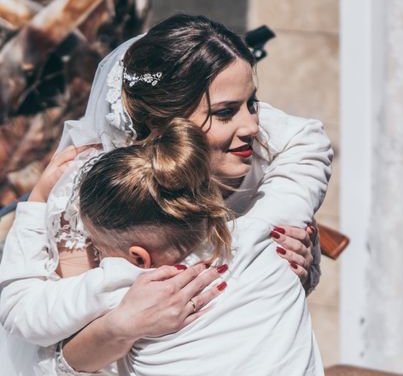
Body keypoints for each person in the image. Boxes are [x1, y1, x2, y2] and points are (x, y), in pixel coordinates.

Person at [0, 15, 332, 373]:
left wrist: (299, 267)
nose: (253, 125)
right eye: (224, 112)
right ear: (161, 123)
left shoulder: (257, 204)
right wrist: (123, 324)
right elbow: (59, 347)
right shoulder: (104, 202)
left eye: (253, 103)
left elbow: (24, 307)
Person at [8, 117, 323, 374]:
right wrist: (228, 110)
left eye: (99, 248)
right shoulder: (266, 231)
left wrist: (36, 202)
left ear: (139, 258)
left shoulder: (123, 285)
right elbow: (308, 145)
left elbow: (19, 306)